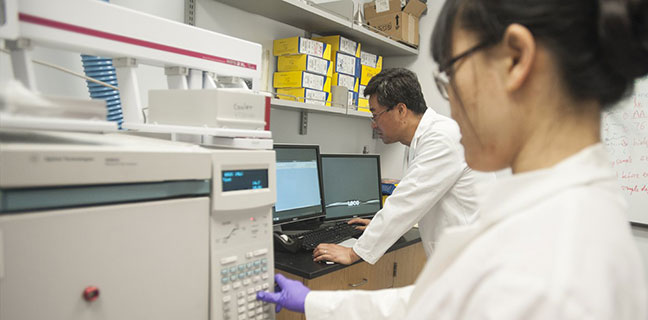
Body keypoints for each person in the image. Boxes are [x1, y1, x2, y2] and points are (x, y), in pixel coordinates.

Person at [258, 0, 648, 318]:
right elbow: (441, 301)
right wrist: (313, 302)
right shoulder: (560, 211)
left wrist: (356, 251)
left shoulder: (553, 258)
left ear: (516, 59)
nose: (453, 108)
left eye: (452, 76)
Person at [313, 68, 492, 265]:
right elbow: (415, 201)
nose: (373, 124)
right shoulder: (421, 140)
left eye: (375, 114)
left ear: (400, 110)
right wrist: (377, 226)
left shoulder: (442, 139)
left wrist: (353, 253)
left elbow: (406, 202)